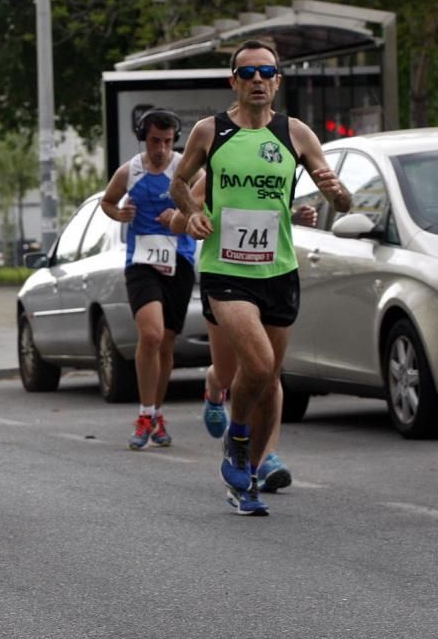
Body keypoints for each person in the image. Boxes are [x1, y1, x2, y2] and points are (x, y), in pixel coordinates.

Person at [170, 39, 351, 516]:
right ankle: (237, 438)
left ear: (277, 81)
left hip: (279, 268)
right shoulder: (212, 132)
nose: (256, 80)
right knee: (258, 359)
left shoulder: (297, 133)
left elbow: (343, 200)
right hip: (224, 269)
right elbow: (178, 184)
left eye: (265, 72)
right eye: (246, 73)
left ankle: (246, 476)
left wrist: (339, 194)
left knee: (270, 376)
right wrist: (191, 213)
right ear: (233, 81)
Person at [165, 174, 318, 492]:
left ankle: (265, 457)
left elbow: (272, 215)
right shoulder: (216, 170)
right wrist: (193, 218)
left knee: (268, 371)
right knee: (228, 371)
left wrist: (298, 215)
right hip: (226, 278)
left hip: (271, 276)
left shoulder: (275, 163)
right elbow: (178, 224)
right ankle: (213, 385)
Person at [99, 108, 198, 450]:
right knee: (151, 334)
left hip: (180, 261)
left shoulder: (184, 171)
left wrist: (183, 214)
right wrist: (119, 213)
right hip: (141, 261)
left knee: (167, 342)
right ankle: (143, 414)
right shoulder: (131, 170)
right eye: (155, 141)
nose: (161, 149)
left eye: (168, 142)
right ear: (144, 138)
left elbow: (201, 207)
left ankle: (156, 414)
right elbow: (108, 202)